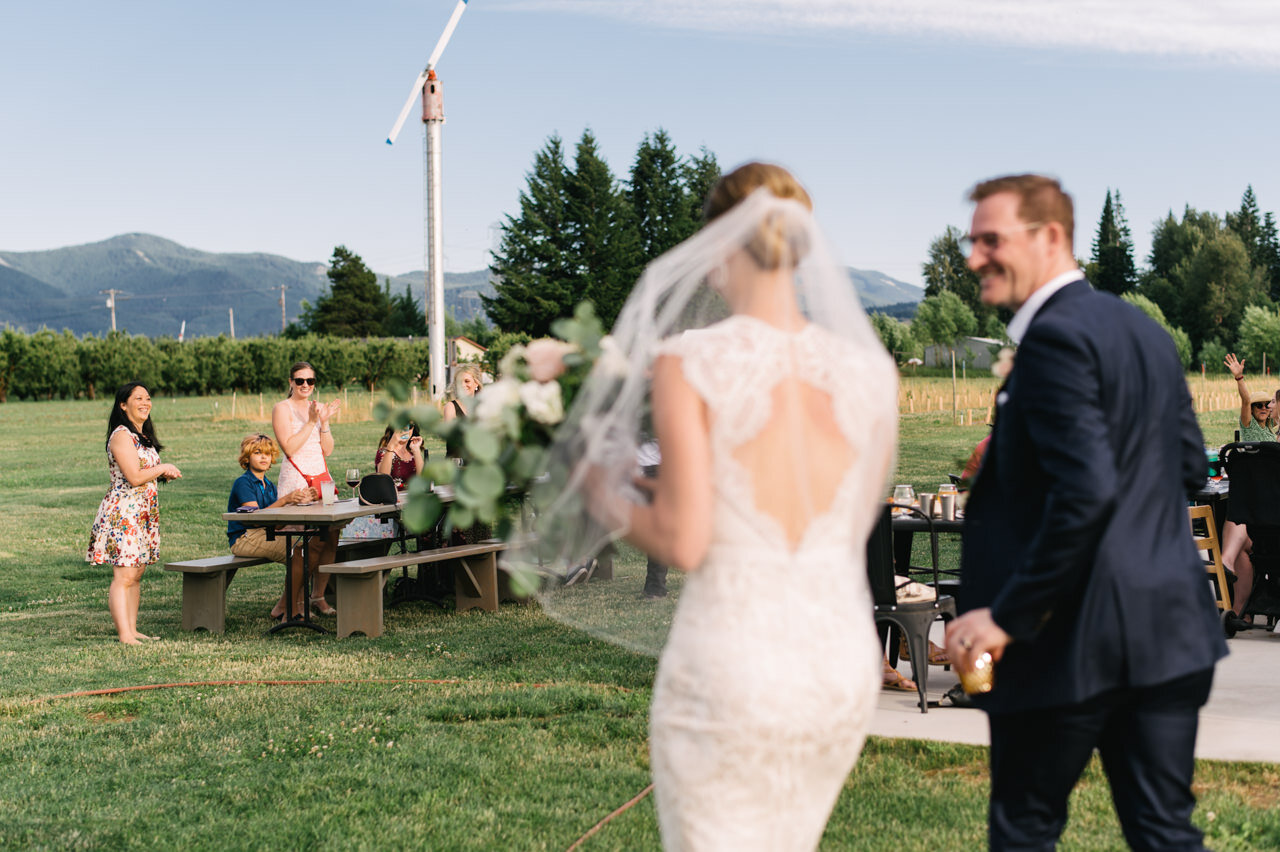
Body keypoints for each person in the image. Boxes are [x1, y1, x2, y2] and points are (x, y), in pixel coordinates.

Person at [533, 162, 897, 850]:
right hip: (835, 664)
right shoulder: (871, 372)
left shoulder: (692, 358)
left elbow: (684, 541)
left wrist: (595, 488)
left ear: (723, 242)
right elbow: (843, 517)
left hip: (736, 660)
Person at [945, 174, 1228, 851]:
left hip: (1067, 643)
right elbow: (1190, 465)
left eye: (991, 240)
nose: (973, 257)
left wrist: (1006, 615)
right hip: (1167, 631)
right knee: (1164, 832)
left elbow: (1089, 491)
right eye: (970, 240)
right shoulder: (1147, 332)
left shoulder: (1050, 339)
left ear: (1049, 238)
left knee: (1026, 830)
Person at [86, 382, 183, 644]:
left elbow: (145, 474)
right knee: (124, 575)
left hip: (143, 512)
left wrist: (163, 474)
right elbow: (133, 476)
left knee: (137, 573)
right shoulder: (121, 435)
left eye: (148, 398)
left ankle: (133, 629)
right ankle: (124, 635)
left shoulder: (142, 436)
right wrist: (164, 468)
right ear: (123, 405)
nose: (145, 402)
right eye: (137, 398)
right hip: (124, 512)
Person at [226, 433, 333, 621]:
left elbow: (276, 520)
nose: (264, 457)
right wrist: (285, 500)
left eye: (267, 453)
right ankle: (290, 612)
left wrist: (301, 500)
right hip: (245, 538)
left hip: (265, 534)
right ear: (247, 457)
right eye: (258, 453)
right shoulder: (243, 483)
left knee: (313, 545)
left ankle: (284, 607)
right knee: (299, 552)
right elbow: (255, 519)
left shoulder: (268, 485)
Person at [271, 361, 341, 616]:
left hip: (322, 478)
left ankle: (318, 596)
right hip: (297, 480)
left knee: (330, 536)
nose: (304, 386)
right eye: (299, 381)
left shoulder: (317, 408)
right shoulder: (282, 408)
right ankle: (292, 602)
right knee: (305, 543)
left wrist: (324, 422)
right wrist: (311, 422)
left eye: (309, 381)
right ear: (290, 382)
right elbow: (289, 448)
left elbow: (328, 449)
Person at [1221, 353, 1271, 625]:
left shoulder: (1274, 434)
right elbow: (1245, 399)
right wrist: (1240, 380)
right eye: (1258, 405)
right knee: (1242, 538)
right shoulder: (1249, 427)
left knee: (1236, 512)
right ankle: (1241, 613)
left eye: (1267, 404)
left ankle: (1225, 562)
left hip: (1263, 514)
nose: (1262, 407)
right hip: (1262, 513)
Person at [375, 422, 426, 489]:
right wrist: (391, 446)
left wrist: (416, 450)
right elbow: (383, 479)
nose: (405, 430)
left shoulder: (412, 452)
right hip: (393, 498)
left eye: (409, 426)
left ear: (412, 429)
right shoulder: (384, 452)